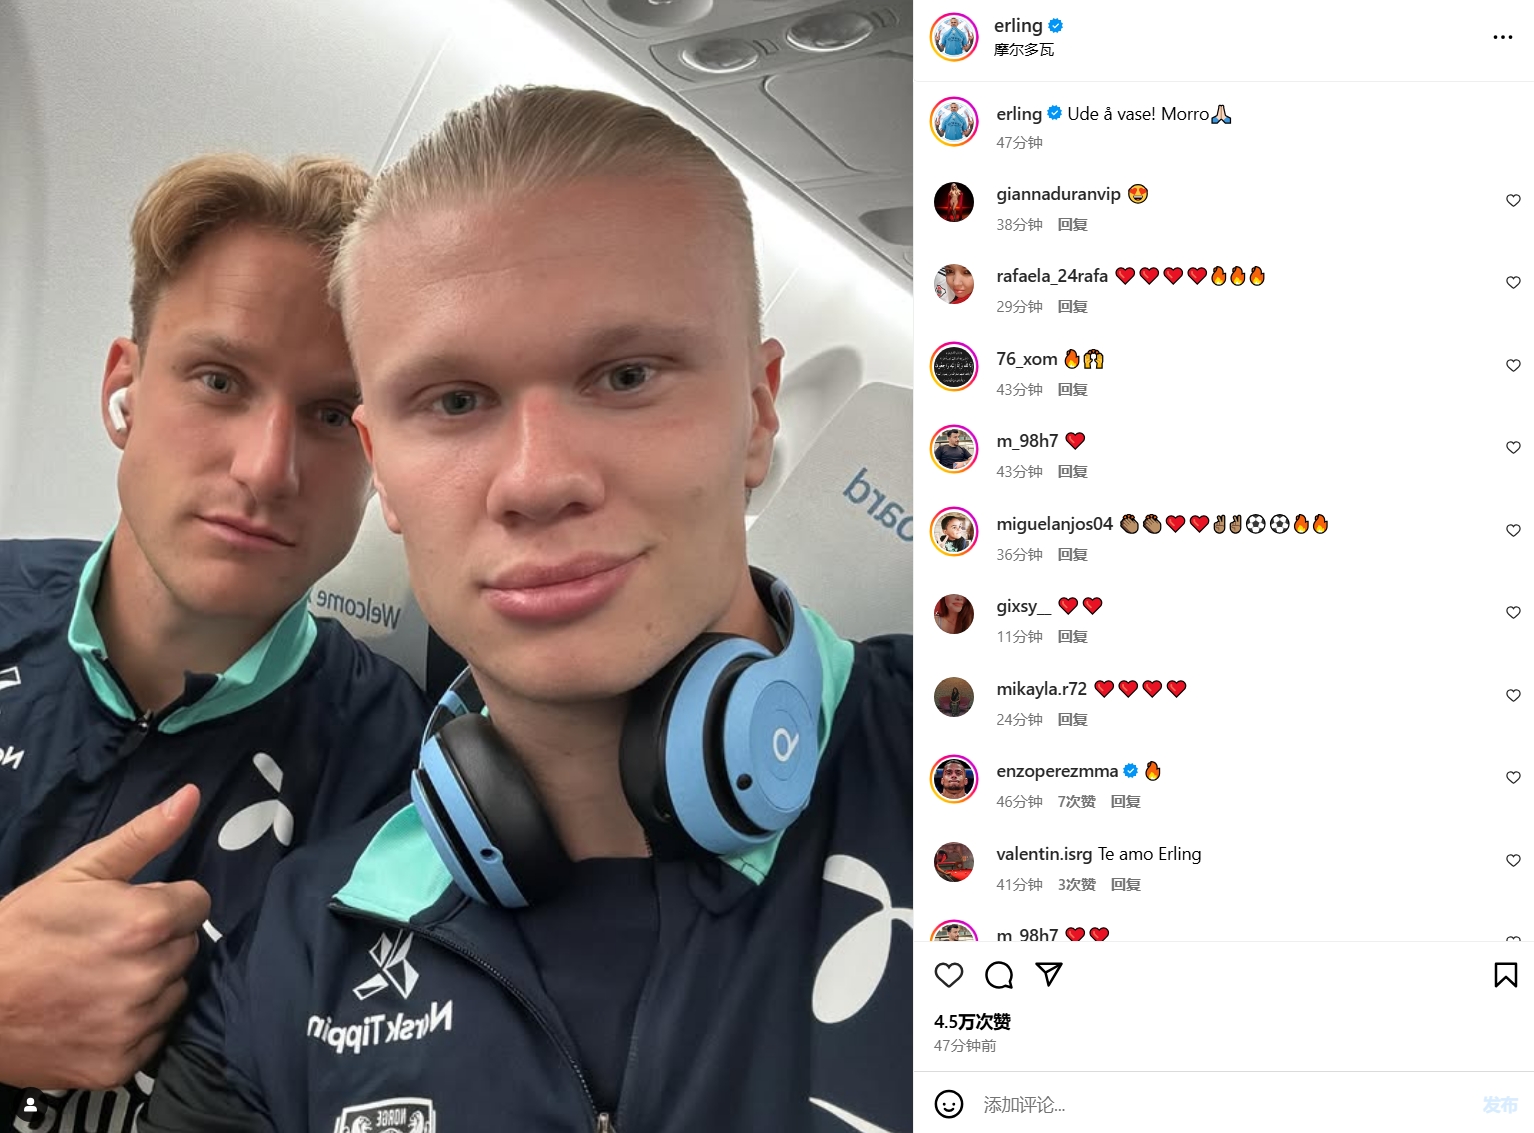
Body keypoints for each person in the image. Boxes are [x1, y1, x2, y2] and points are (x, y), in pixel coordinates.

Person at [141, 86, 912, 1133]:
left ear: (757, 411)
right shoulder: (294, 953)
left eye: (626, 376)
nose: (536, 480)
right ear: (381, 469)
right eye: (455, 401)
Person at [0, 155, 430, 1126]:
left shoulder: (404, 780)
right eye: (219, 379)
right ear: (124, 390)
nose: (267, 467)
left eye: (332, 414)